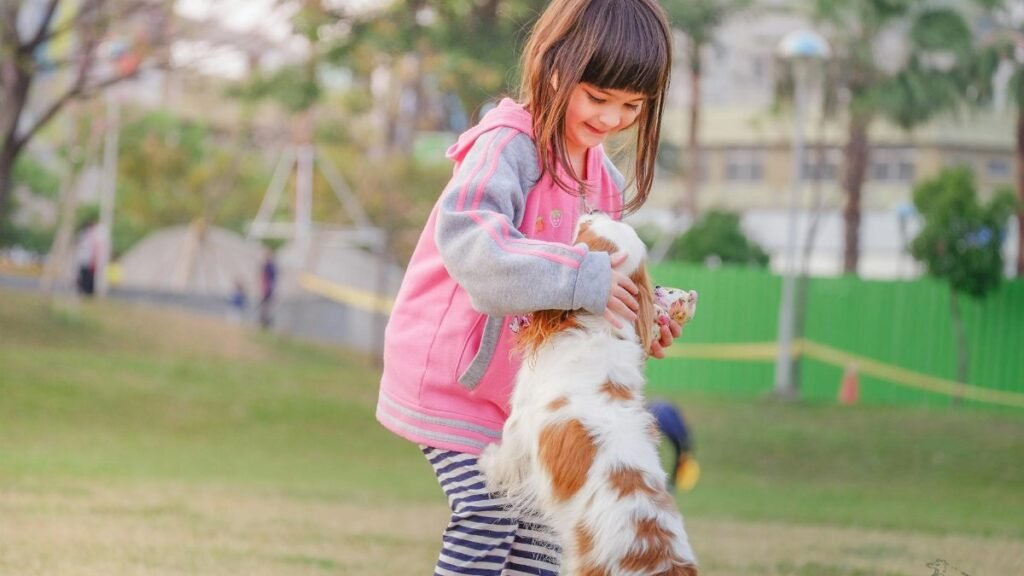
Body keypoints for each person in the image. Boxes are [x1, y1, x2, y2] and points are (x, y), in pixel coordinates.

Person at [376, 0, 676, 573]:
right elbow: (475, 246)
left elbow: (595, 287)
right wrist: (586, 278)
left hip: (531, 394)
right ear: (553, 65)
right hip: (456, 381)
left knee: (543, 533)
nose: (612, 119)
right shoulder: (508, 148)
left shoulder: (602, 181)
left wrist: (641, 311)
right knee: (488, 511)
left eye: (632, 106)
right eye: (599, 97)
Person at [258, 249, 277, 329]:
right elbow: (263, 277)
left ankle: (266, 323)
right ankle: (263, 323)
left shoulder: (272, 266)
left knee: (268, 307)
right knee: (265, 307)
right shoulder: (266, 266)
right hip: (266, 289)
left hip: (270, 290)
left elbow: (274, 279)